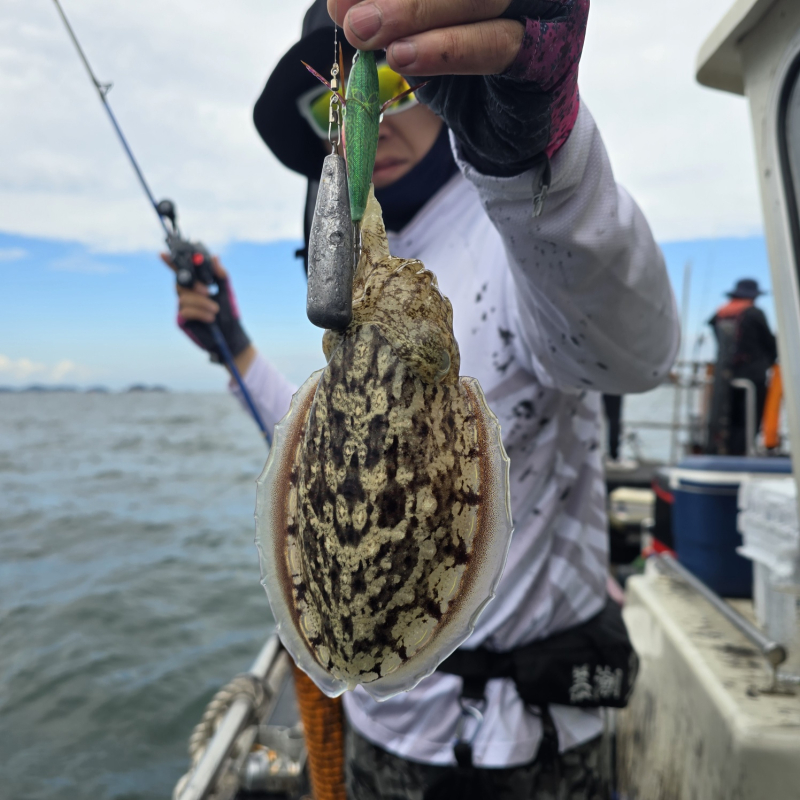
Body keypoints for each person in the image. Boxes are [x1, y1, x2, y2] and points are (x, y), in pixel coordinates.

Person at [166, 1, 680, 797]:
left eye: (406, 82)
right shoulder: (368, 267)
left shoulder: (519, 227)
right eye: (353, 95)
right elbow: (326, 455)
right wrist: (234, 347)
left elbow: (631, 353)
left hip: (529, 744)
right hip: (386, 734)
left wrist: (530, 154)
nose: (389, 114)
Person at [706, 278, 777, 456]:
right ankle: (743, 452)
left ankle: (724, 450)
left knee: (728, 417)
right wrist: (770, 360)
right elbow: (769, 343)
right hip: (753, 376)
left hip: (724, 376)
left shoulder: (719, 315)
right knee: (750, 418)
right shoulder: (755, 313)